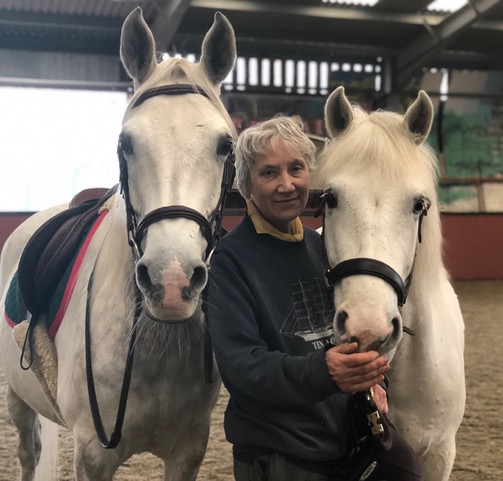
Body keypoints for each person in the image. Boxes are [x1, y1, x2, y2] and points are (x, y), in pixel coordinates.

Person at [206, 116, 390, 481]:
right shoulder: (229, 261)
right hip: (280, 455)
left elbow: (354, 333)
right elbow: (243, 367)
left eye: (296, 168)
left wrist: (374, 381)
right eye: (269, 173)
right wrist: (324, 371)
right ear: (246, 184)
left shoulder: (323, 246)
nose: (287, 184)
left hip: (345, 444)